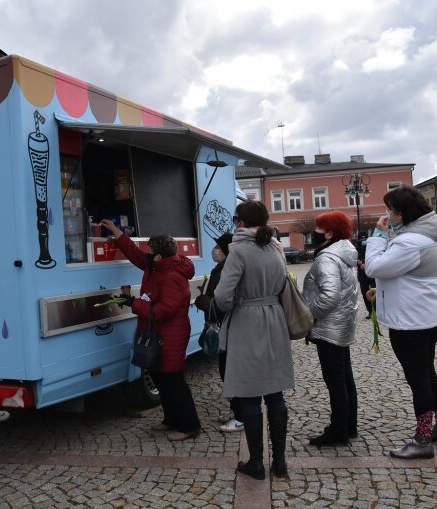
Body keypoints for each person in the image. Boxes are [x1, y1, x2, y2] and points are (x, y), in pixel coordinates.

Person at [365, 186, 437, 459]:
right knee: (427, 372)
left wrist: (378, 236)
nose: (387, 214)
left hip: (410, 321)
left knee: (418, 379)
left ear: (403, 214)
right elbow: (408, 275)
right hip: (427, 315)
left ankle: (423, 439)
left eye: (391, 209)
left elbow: (374, 267)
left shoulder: (409, 242)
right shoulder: (429, 236)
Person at [100, 219, 202, 441]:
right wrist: (117, 232)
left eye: (150, 250)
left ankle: (189, 426)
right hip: (158, 334)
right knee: (160, 378)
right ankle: (171, 419)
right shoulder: (156, 267)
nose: (146, 253)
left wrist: (132, 303)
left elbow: (163, 310)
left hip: (170, 336)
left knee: (174, 382)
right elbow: (135, 254)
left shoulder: (171, 276)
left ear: (158, 256)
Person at [213, 200, 294, 480]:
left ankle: (257, 462)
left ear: (240, 222)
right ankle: (280, 462)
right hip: (274, 319)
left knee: (248, 393)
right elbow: (283, 283)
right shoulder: (276, 248)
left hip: (247, 321)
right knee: (274, 392)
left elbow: (222, 298)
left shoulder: (238, 251)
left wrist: (240, 301)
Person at [302, 212, 359, 447]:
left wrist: (307, 314)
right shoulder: (343, 254)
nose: (314, 231)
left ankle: (338, 432)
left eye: (318, 227)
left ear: (329, 232)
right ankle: (348, 426)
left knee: (335, 381)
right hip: (341, 325)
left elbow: (329, 297)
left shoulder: (327, 258)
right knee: (345, 378)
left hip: (329, 327)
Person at [194, 233, 243, 433]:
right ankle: (236, 410)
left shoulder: (228, 270)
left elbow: (222, 303)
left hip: (228, 327)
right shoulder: (222, 268)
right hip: (223, 327)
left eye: (218, 247)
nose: (215, 251)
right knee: (226, 371)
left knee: (231, 372)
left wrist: (203, 301)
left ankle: (241, 416)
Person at [355, 231, 376, 319]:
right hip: (362, 275)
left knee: (375, 292)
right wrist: (358, 262)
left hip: (372, 274)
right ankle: (370, 312)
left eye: (365, 239)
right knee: (365, 294)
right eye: (362, 239)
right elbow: (351, 260)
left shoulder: (372, 247)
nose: (363, 241)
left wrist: (366, 264)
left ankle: (377, 311)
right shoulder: (356, 249)